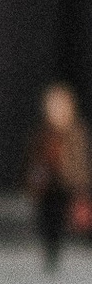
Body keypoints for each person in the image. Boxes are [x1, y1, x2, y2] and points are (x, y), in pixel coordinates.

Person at [28, 81, 91, 273]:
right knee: (48, 220)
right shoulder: (43, 132)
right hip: (48, 184)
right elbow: (35, 159)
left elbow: (81, 159)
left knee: (72, 216)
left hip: (69, 183)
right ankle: (51, 252)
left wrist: (82, 182)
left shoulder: (77, 131)